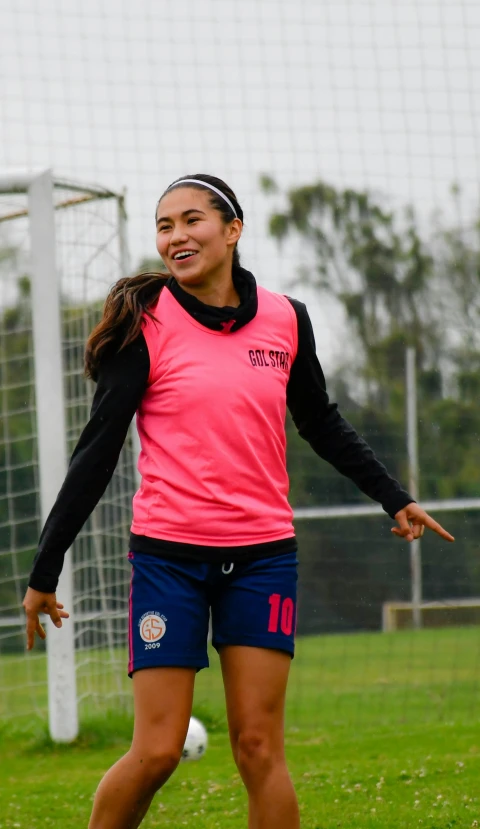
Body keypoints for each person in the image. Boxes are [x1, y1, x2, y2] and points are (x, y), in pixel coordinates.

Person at [23, 173, 454, 829]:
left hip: (263, 560)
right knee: (158, 749)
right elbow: (96, 452)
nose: (176, 236)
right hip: (168, 561)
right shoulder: (144, 324)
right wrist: (44, 569)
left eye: (191, 220)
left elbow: (321, 421)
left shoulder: (286, 318)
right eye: (164, 225)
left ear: (232, 230)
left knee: (259, 748)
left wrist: (393, 496)